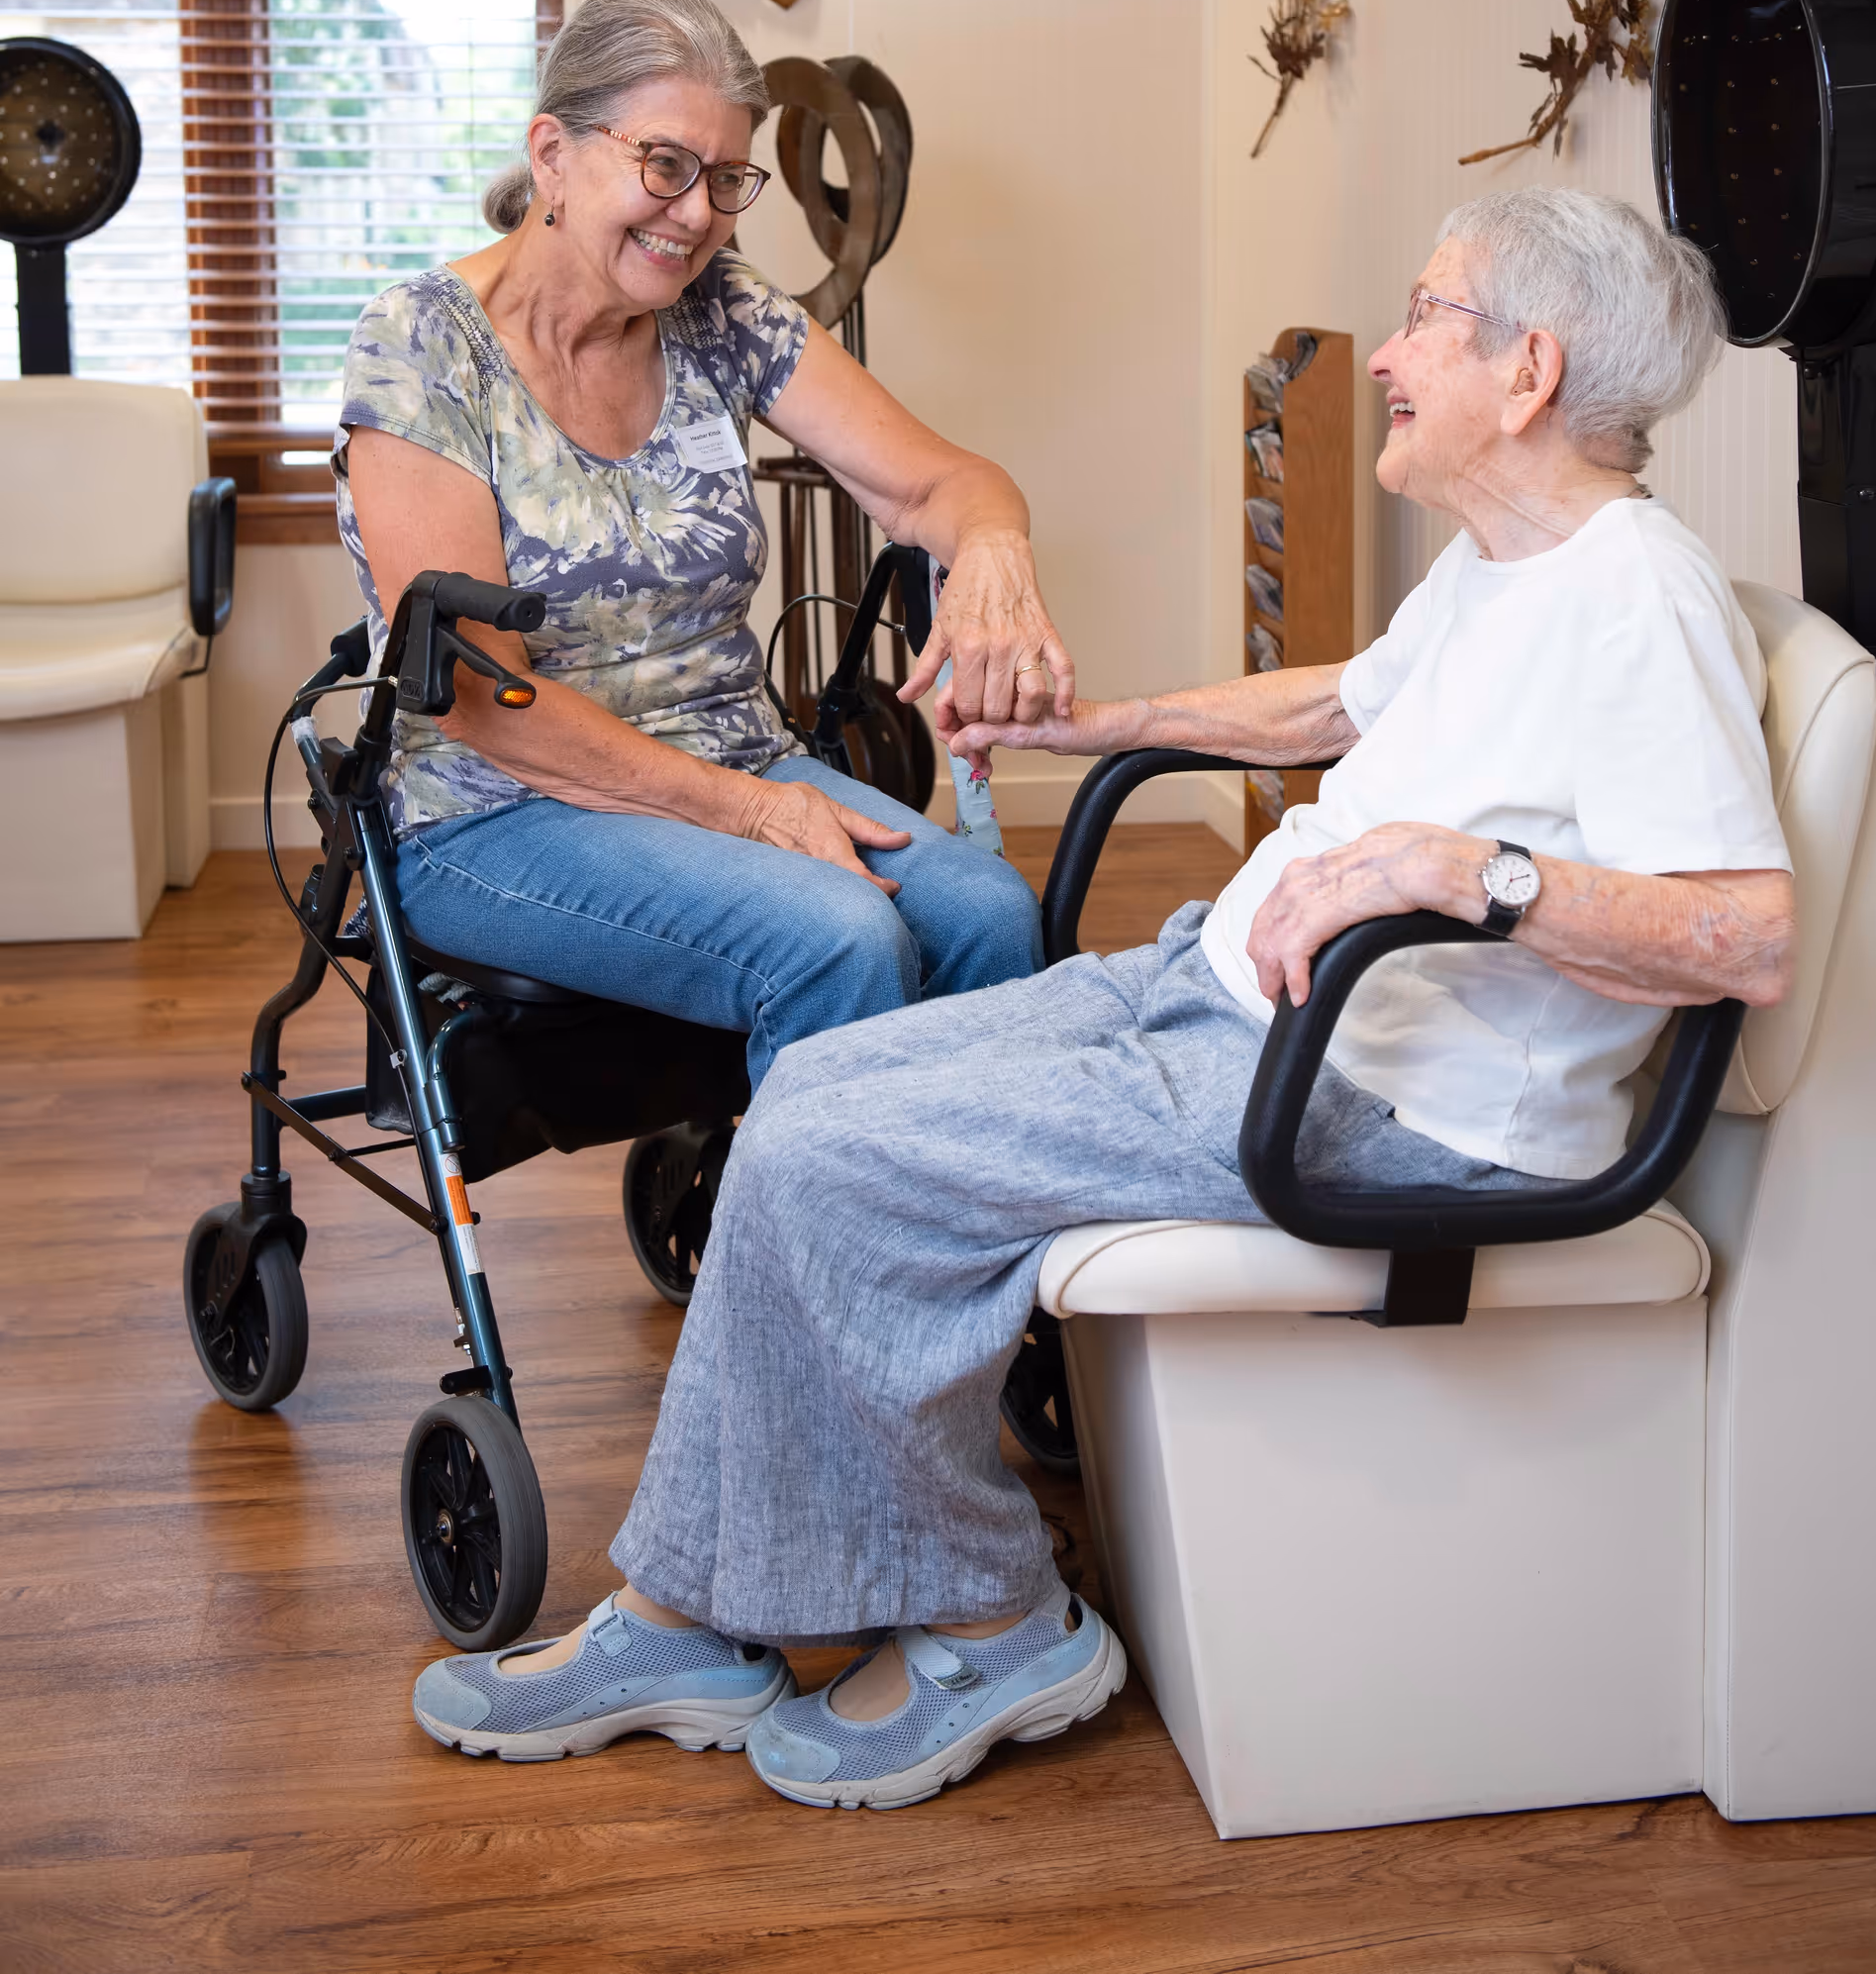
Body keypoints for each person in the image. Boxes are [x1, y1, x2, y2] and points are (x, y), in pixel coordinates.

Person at [411, 189, 1795, 1813]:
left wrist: (1460, 872)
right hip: (1235, 1007)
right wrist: (1102, 720)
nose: (1393, 354)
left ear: (1531, 367)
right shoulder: (1512, 562)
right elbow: (1336, 703)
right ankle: (691, 1612)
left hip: (1377, 1105)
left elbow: (1745, 936)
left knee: (830, 1166)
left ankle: (999, 1623)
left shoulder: (1640, 596)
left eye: (1426, 316)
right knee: (807, 1095)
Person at [337, 0, 1067, 1091]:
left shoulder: (720, 306)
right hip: (494, 813)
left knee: (990, 914)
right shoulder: (423, 346)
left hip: (734, 759)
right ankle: (820, 1261)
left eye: (727, 180)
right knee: (840, 936)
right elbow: (485, 699)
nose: (697, 214)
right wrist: (756, 811)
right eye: (665, 165)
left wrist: (996, 560)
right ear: (553, 154)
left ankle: (953, 1240)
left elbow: (942, 486)